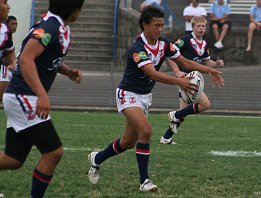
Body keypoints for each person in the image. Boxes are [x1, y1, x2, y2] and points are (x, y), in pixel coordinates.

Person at [87, 6, 224, 192]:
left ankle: (97, 159)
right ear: (145, 25)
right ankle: (144, 181)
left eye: (162, 25)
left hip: (144, 96)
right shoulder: (138, 48)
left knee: (127, 142)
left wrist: (209, 70)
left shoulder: (164, 43)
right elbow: (152, 73)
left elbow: (183, 61)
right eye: (156, 25)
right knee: (146, 131)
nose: (160, 29)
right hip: (127, 94)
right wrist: (180, 82)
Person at [0, 0, 84, 197]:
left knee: (13, 159)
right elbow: (26, 58)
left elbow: (47, 58)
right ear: (74, 11)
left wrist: (68, 72)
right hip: (24, 96)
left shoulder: (58, 27)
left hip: (21, 97)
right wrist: (41, 94)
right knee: (53, 152)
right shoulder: (49, 27)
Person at [160, 16, 224, 145]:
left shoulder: (204, 43)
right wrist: (178, 72)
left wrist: (216, 64)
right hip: (185, 78)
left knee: (183, 112)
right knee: (205, 104)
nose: (201, 28)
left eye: (203, 26)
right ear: (192, 27)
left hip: (193, 78)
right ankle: (175, 115)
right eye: (198, 26)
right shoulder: (185, 40)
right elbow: (170, 55)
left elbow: (206, 61)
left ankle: (166, 138)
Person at [0, 1, 16, 102]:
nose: (8, 7)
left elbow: (9, 52)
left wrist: (13, 63)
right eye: (5, 2)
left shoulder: (6, 31)